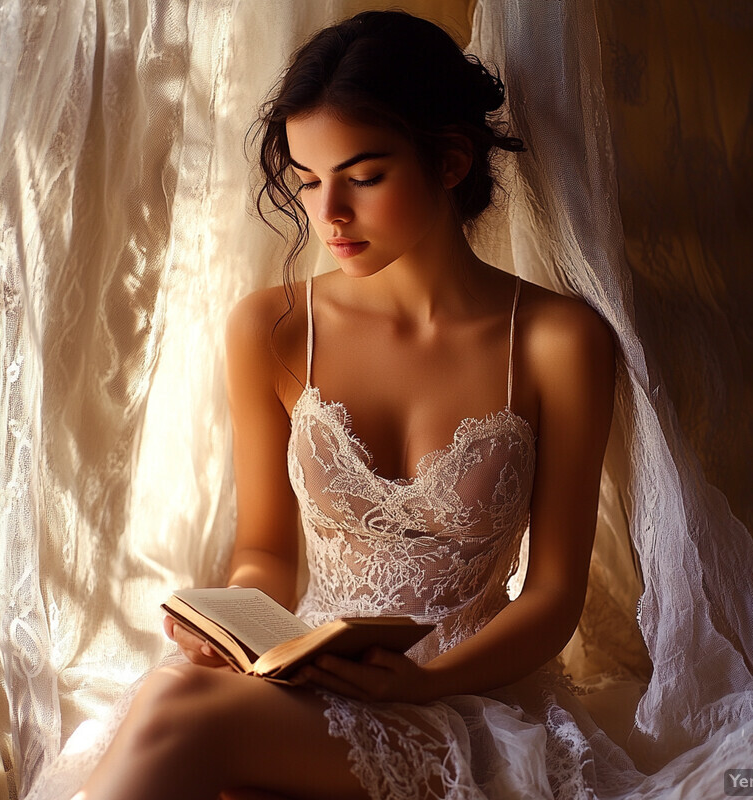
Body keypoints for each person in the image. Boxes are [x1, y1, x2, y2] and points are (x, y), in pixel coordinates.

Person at [77, 11, 615, 799]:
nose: (327, 213)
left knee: (178, 715)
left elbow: (555, 594)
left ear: (452, 161)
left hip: (464, 703)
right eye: (305, 179)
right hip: (308, 683)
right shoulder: (273, 327)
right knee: (179, 693)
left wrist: (421, 685)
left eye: (362, 177)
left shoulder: (555, 340)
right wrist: (232, 630)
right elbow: (265, 549)